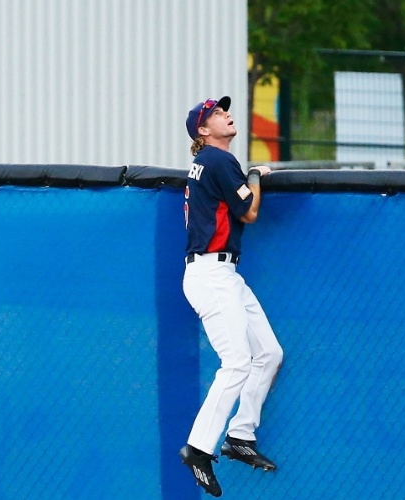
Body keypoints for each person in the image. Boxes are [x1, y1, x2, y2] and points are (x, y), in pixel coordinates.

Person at [178, 96, 284, 498]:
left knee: (269, 353)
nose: (226, 114)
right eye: (216, 114)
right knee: (237, 361)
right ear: (203, 130)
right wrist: (256, 175)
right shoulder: (219, 159)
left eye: (223, 110)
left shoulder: (210, 160)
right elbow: (249, 213)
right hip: (211, 273)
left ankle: (239, 435)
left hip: (221, 273)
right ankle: (199, 447)